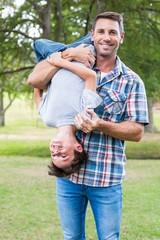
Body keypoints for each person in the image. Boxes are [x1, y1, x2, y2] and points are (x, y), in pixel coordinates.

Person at [27, 11, 149, 240]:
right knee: (72, 237)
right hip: (69, 180)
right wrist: (67, 54)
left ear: (121, 37)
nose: (107, 37)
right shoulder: (73, 61)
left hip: (106, 180)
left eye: (113, 32)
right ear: (92, 35)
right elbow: (35, 79)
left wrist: (100, 124)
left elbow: (137, 132)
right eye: (101, 31)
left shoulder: (132, 81)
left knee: (109, 238)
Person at [29, 44, 102, 177]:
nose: (56, 151)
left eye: (53, 155)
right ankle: (68, 51)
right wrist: (62, 60)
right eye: (62, 156)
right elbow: (91, 77)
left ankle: (66, 51)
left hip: (57, 56)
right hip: (83, 49)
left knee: (38, 43)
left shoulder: (47, 118)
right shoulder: (84, 117)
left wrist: (59, 60)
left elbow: (36, 87)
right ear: (78, 148)